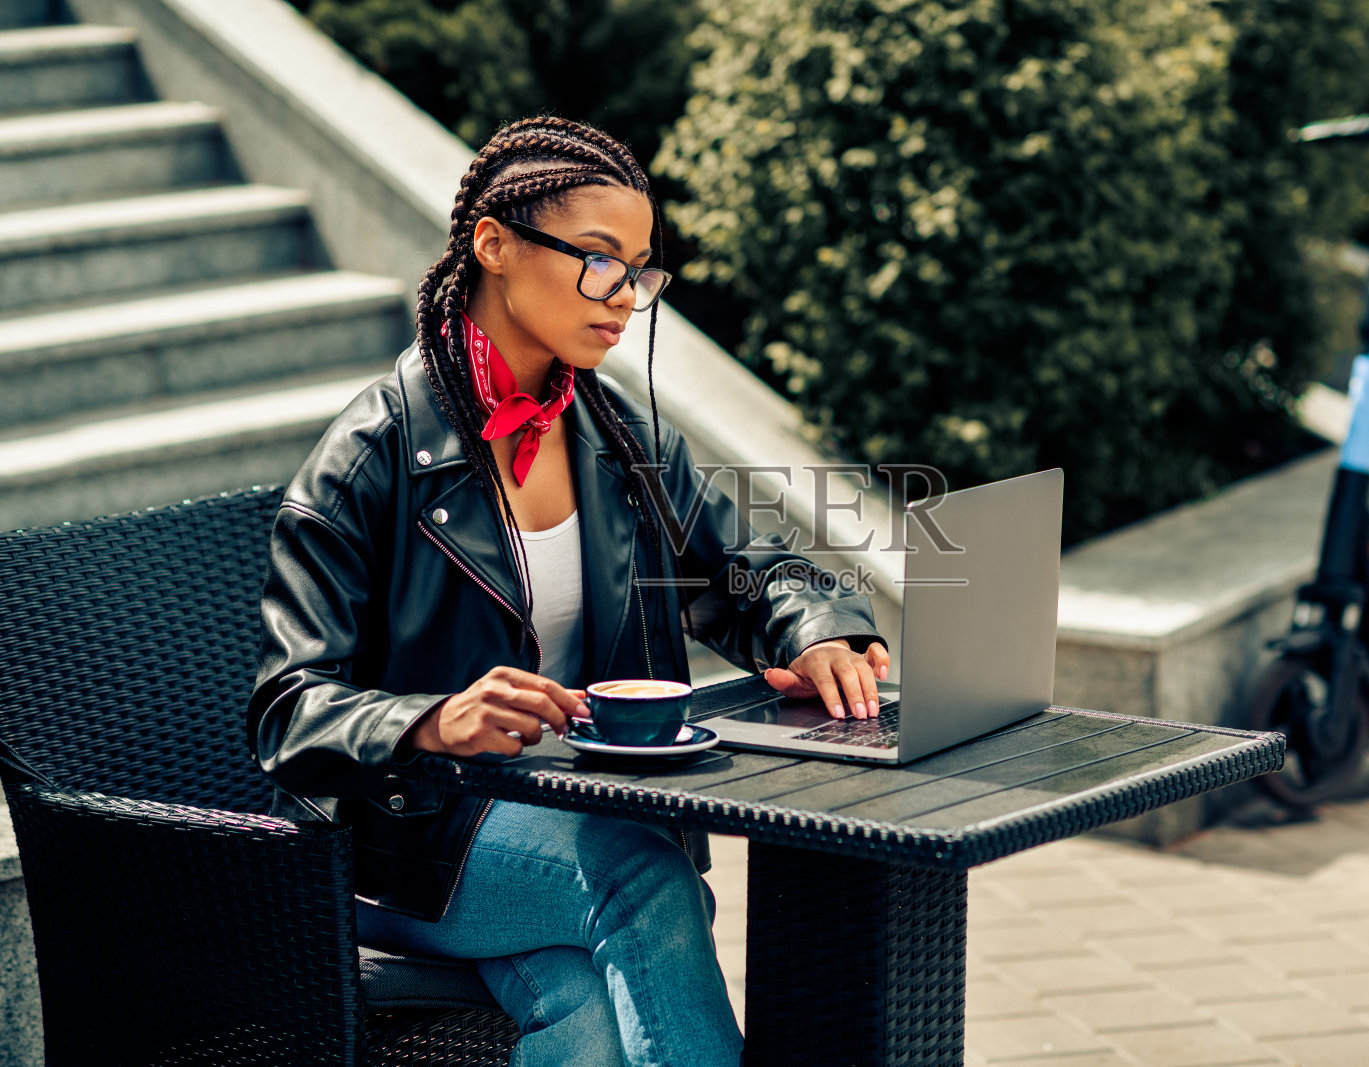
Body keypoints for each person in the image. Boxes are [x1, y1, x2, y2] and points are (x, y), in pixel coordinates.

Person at [247, 116, 892, 1067]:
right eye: (598, 260)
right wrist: (433, 720)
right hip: (418, 848)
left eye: (638, 269)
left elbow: (746, 568)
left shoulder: (617, 438)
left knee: (585, 1014)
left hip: (582, 819)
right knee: (642, 875)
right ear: (494, 245)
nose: (626, 296)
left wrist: (815, 629)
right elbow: (286, 712)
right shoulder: (369, 458)